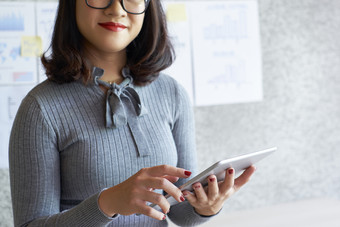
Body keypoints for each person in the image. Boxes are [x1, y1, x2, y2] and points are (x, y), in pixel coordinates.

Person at [9, 0, 256, 226]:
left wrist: (206, 206)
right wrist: (106, 204)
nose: (117, 9)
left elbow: (178, 212)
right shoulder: (40, 108)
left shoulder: (172, 93)